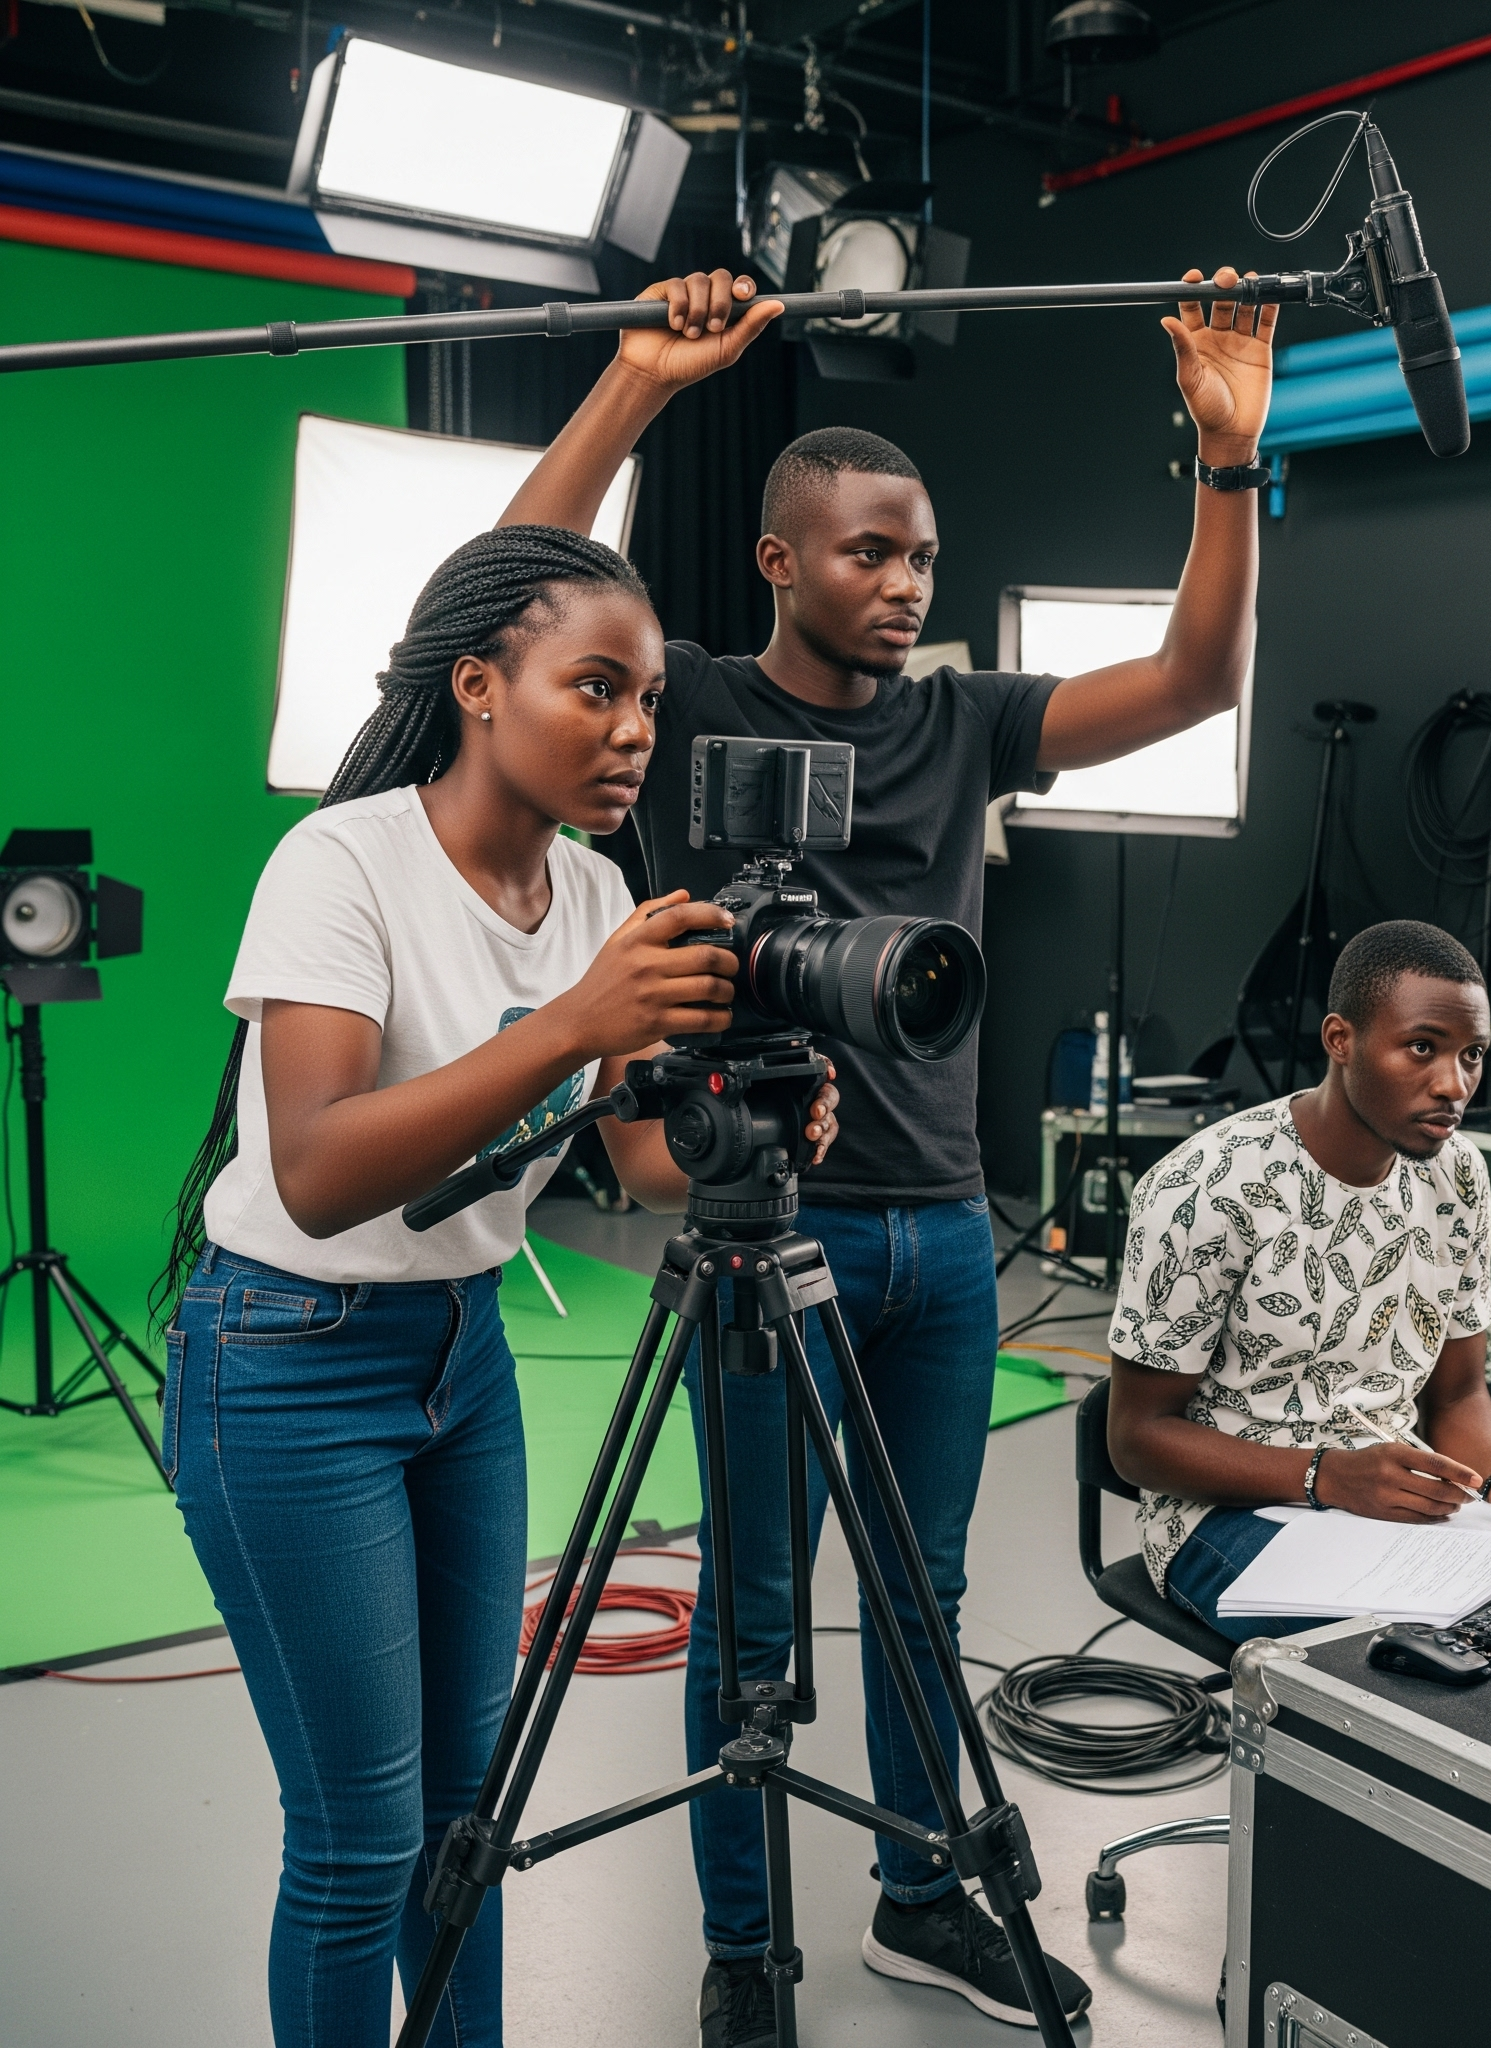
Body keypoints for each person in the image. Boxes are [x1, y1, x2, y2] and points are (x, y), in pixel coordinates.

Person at [498, 262, 1275, 2043]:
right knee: (753, 1614)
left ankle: (923, 1894)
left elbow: (1192, 673)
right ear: (779, 557)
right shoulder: (678, 699)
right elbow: (516, 595)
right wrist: (635, 384)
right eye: (866, 551)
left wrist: (1227, 459)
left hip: (937, 1228)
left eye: (919, 553)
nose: (903, 580)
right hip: (762, 1219)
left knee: (923, 1592)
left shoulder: (961, 718)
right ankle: (743, 1950)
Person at [153, 526, 837, 2048]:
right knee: (357, 1837)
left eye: (650, 700)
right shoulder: (341, 861)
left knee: (471, 1817)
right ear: (478, 684)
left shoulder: (596, 894)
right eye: (595, 688)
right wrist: (572, 1023)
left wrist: (759, 1121)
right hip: (285, 1360)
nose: (635, 731)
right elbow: (324, 1169)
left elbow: (647, 1166)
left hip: (460, 1357)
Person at [1104, 921, 1491, 1639]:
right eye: (1423, 1047)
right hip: (1220, 1514)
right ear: (1339, 1039)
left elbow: (1460, 1392)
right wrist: (1326, 1476)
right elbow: (1137, 1440)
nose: (1455, 1084)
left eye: (1472, 1054)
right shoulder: (1207, 1187)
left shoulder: (1458, 1175)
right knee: (1411, 1661)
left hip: (1396, 1495)